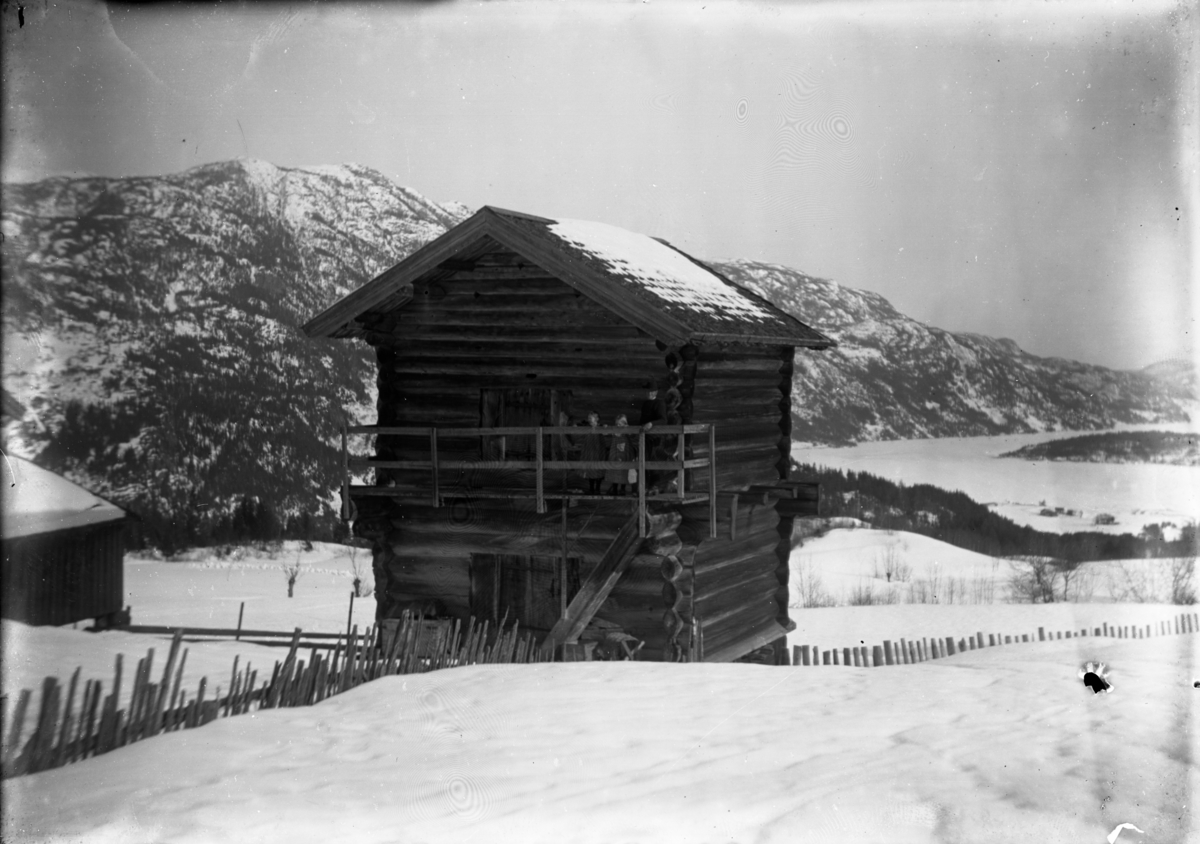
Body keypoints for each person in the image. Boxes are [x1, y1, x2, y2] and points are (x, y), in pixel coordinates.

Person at [605, 414, 633, 495]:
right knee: (614, 471)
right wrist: (606, 427)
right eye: (616, 424)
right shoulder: (614, 431)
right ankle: (614, 489)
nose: (617, 426)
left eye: (620, 424)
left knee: (623, 471)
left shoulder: (626, 432)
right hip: (615, 454)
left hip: (623, 454)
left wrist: (627, 428)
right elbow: (606, 432)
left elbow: (632, 434)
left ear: (624, 424)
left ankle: (622, 489)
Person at [579, 411, 606, 494]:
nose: (589, 419)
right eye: (588, 418)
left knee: (598, 469)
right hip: (589, 452)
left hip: (598, 452)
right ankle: (591, 489)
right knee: (590, 469)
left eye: (591, 418)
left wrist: (605, 427)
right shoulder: (587, 428)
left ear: (597, 419)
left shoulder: (600, 427)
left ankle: (597, 488)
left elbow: (605, 432)